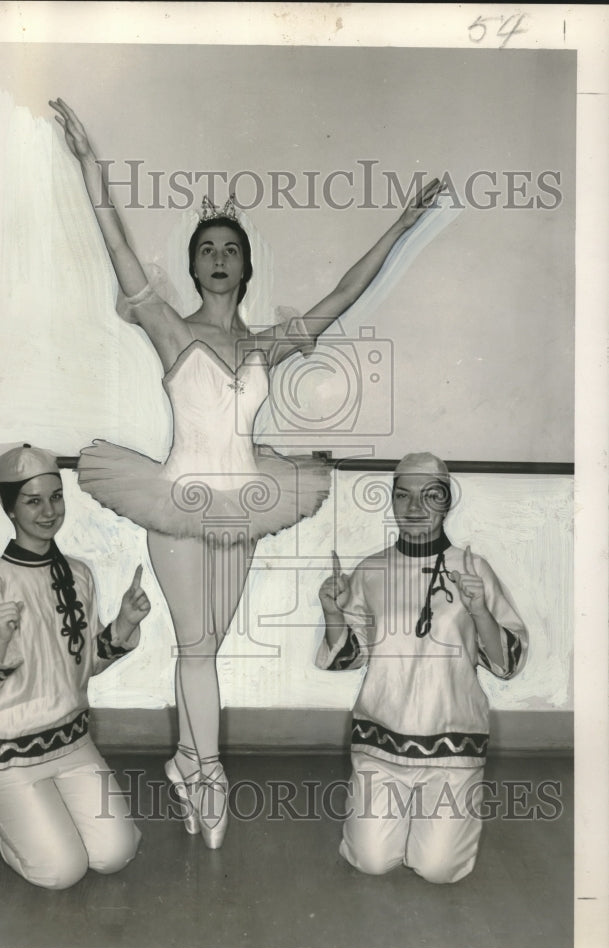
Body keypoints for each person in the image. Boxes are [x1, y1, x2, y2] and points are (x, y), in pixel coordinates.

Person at [49, 96, 442, 849]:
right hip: (174, 499)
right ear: (195, 265)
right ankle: (207, 774)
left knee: (208, 648)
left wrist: (399, 225)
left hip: (250, 502)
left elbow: (340, 298)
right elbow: (119, 251)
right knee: (195, 647)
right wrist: (89, 164)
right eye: (206, 249)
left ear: (246, 266)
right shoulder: (168, 329)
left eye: (230, 248)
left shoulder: (264, 347)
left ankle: (189, 763)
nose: (218, 257)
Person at [316, 452, 528, 883]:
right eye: (403, 496)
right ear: (391, 502)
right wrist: (332, 611)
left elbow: (506, 664)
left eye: (429, 496)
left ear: (446, 502)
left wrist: (480, 611)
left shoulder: (474, 571)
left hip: (453, 745)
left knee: (439, 870)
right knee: (372, 862)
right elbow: (348, 655)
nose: (414, 509)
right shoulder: (372, 570)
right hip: (380, 743)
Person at [0, 444, 150, 889]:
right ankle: (3, 825)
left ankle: (42, 817)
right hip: (7, 754)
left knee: (115, 854)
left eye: (56, 497)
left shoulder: (79, 574)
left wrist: (124, 623)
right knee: (62, 872)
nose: (48, 511)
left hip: (72, 742)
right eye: (33, 500)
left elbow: (85, 665)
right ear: (10, 508)